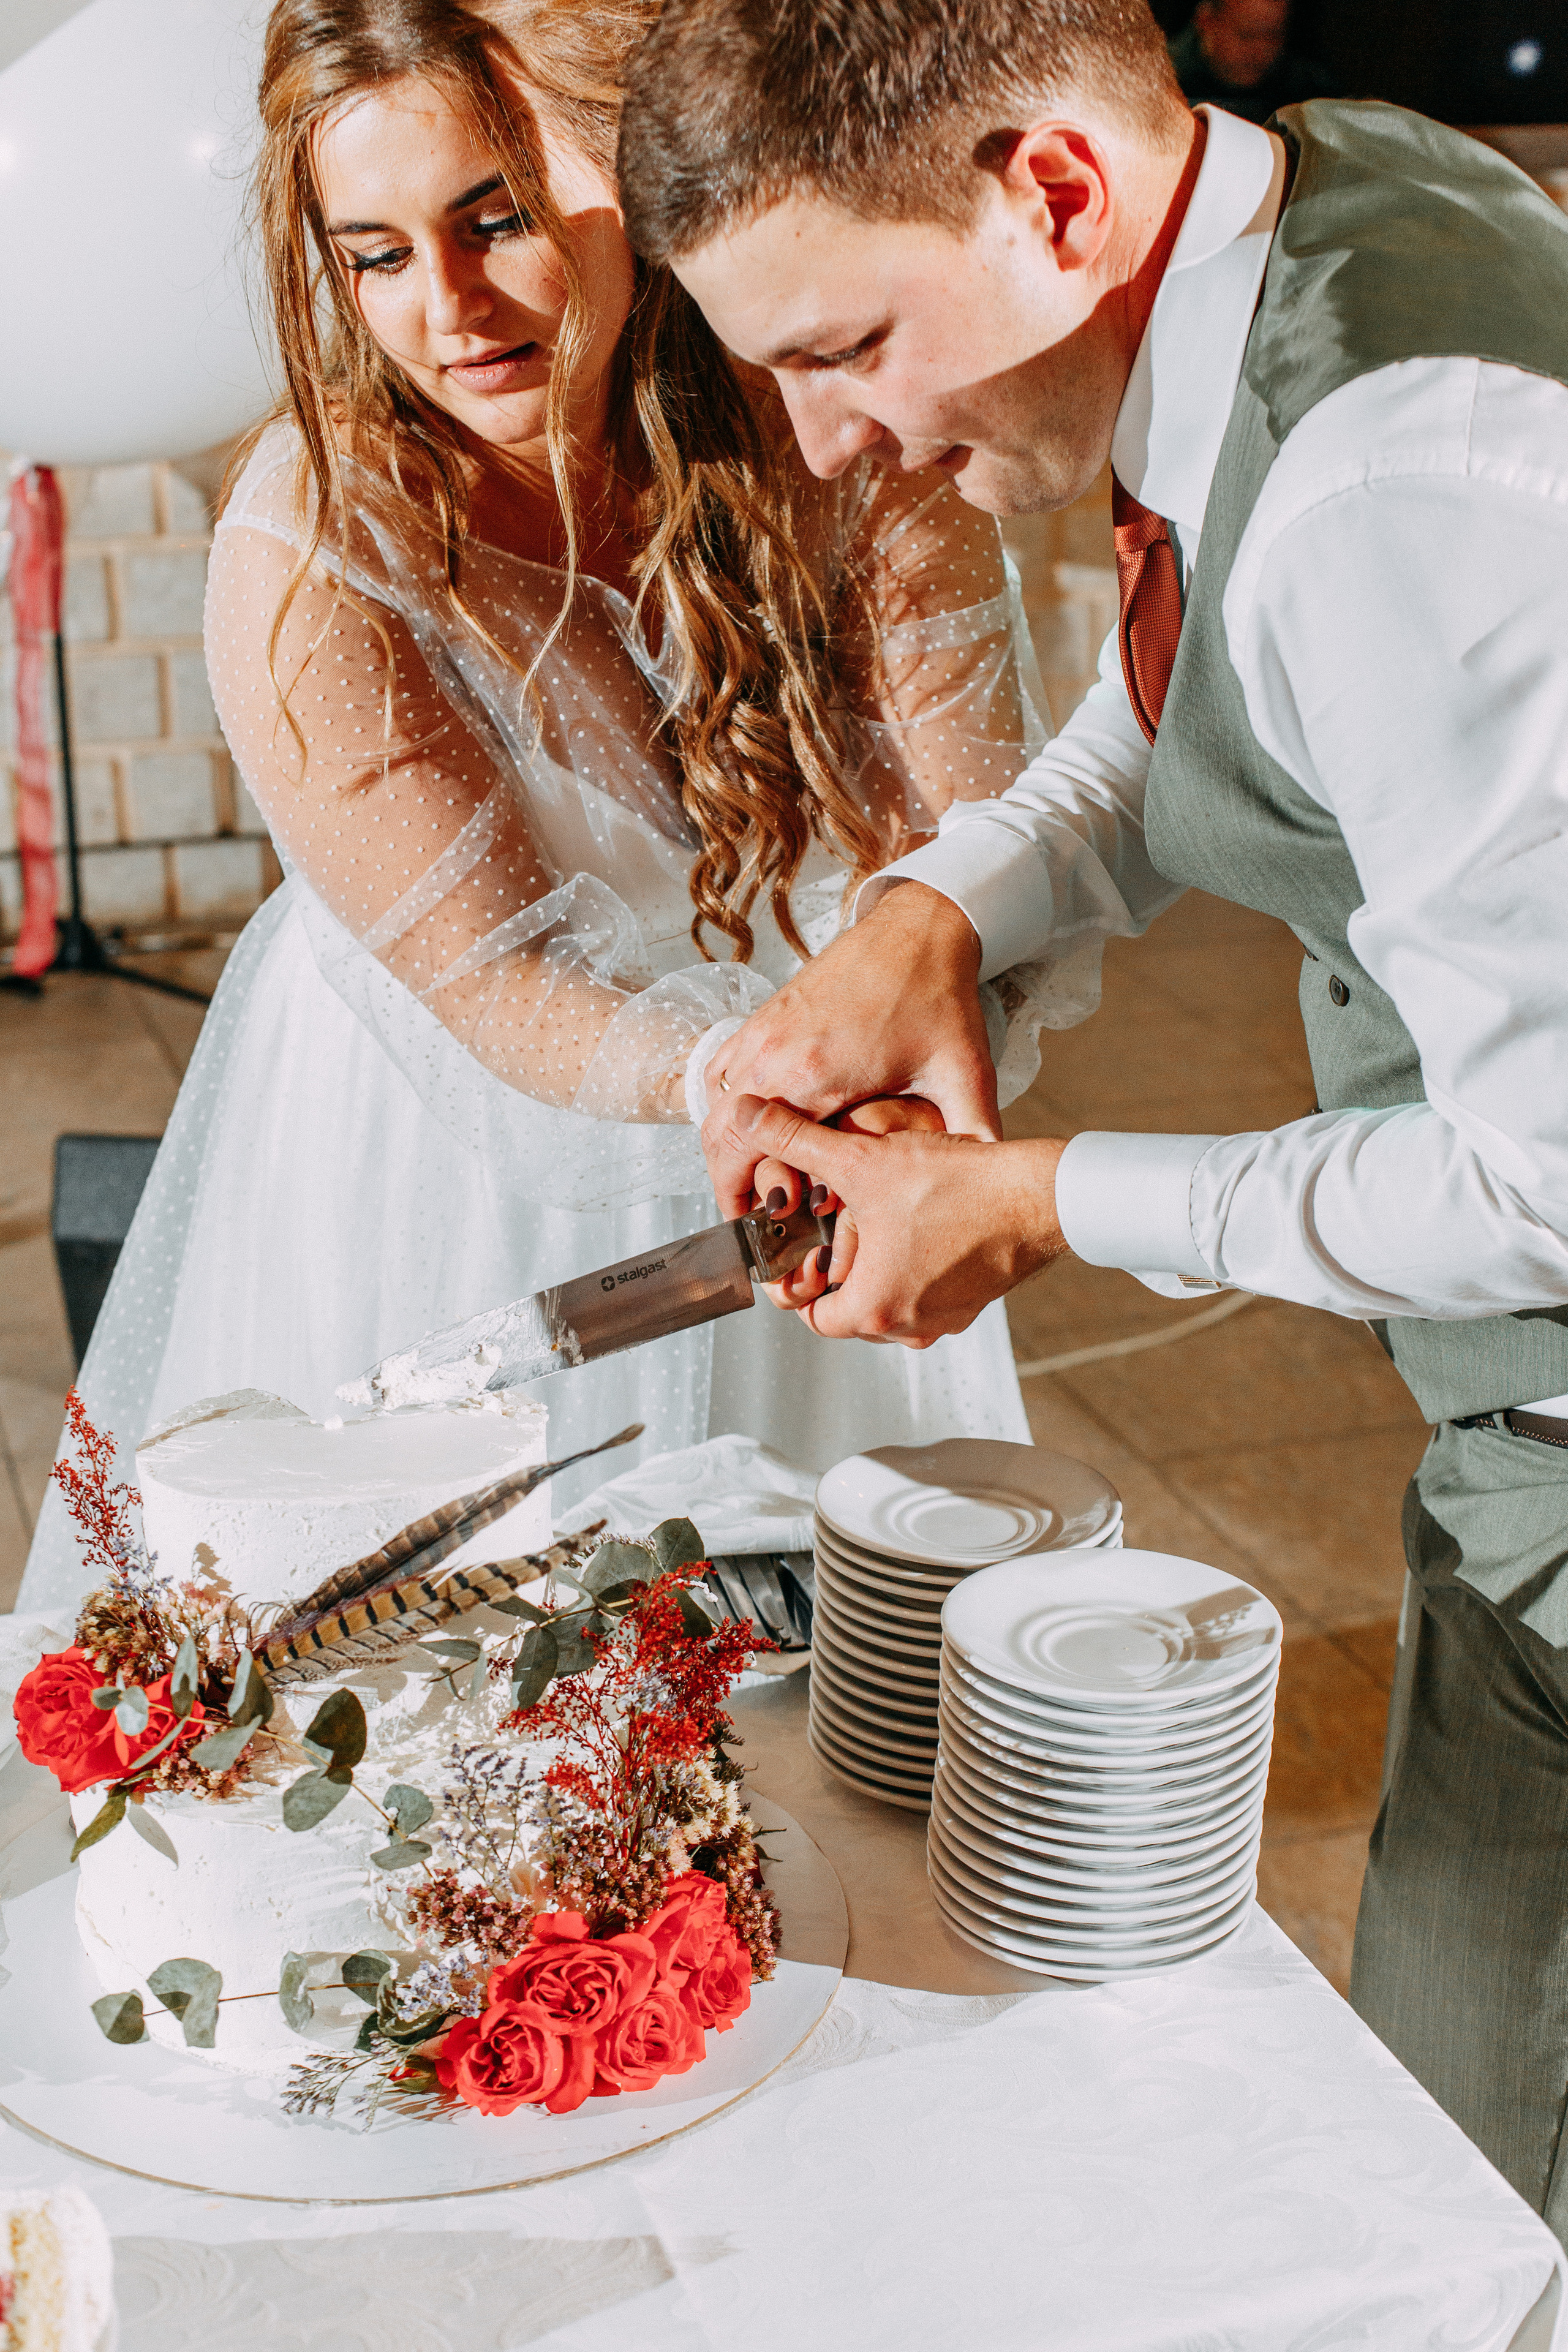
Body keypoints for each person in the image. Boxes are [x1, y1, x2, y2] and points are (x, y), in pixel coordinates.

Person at [619, 0, 1568, 2241]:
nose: (830, 443)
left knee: (1453, 2202)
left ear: (1049, 189)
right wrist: (938, 909)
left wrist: (1035, 1200)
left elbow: (1542, 1180)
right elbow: (1208, 689)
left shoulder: (1386, 484)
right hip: (1512, 1449)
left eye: (846, 347)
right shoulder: (1311, 202)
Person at [18, 0, 1057, 1608]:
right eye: (375, 255)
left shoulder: (826, 399)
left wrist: (917, 1055)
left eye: (494, 219)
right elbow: (501, 982)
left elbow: (997, 827)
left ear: (617, 175)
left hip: (830, 1112)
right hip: (456, 1146)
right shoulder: (307, 549)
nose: (447, 309)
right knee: (483, 1664)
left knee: (833, 1655)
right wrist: (747, 1079)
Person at [1168, 0, 1336, 124]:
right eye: (1246, 35)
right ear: (1206, 21)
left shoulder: (1310, 88)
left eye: (1272, 37)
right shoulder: (1166, 80)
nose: (1259, 51)